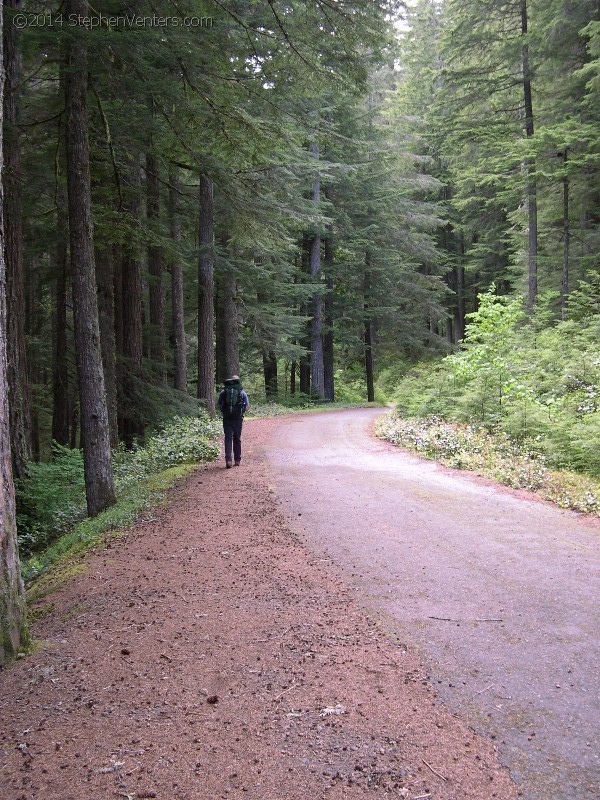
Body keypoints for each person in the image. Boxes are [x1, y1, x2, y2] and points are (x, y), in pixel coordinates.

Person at [217, 375, 250, 468]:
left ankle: (228, 460)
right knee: (237, 438)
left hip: (227, 418)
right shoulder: (242, 392)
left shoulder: (224, 392)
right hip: (238, 419)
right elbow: (247, 407)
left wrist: (225, 411)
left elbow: (219, 405)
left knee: (228, 439)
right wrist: (241, 410)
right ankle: (237, 460)